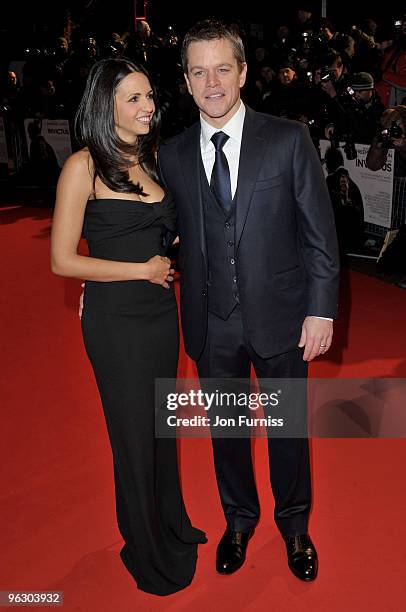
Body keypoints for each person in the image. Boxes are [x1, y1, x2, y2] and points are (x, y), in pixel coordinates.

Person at [158, 19, 339, 582]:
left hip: (283, 318)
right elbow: (160, 235)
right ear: (186, 82)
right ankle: (239, 520)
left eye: (221, 68)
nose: (211, 82)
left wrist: (321, 307)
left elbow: (319, 233)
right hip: (212, 325)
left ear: (242, 72)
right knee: (226, 435)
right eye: (198, 71)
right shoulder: (173, 154)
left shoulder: (287, 138)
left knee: (288, 432)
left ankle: (294, 526)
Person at [50, 57, 206, 596]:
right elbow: (62, 261)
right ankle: (145, 547)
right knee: (133, 438)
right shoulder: (82, 168)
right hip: (116, 325)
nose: (147, 108)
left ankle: (170, 523)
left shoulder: (153, 160)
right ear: (106, 105)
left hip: (162, 317)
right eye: (133, 98)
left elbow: (163, 234)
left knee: (161, 429)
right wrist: (141, 269)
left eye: (149, 97)